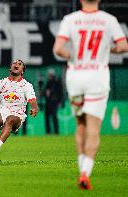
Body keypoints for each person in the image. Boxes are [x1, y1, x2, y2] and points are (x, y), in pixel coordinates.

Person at [53, 0, 128, 190]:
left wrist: (74, 55)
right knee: (94, 129)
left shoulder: (70, 19)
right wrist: (107, 50)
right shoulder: (109, 20)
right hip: (97, 79)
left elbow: (58, 49)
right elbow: (123, 46)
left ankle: (81, 170)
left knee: (81, 124)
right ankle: (85, 173)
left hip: (76, 78)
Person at [44, 68, 63, 135]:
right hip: (48, 102)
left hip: (54, 102)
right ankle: (48, 132)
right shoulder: (48, 82)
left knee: (54, 117)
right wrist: (45, 93)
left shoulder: (56, 82)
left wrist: (60, 102)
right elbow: (45, 92)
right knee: (47, 118)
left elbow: (60, 93)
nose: (49, 76)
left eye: (50, 74)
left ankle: (56, 131)